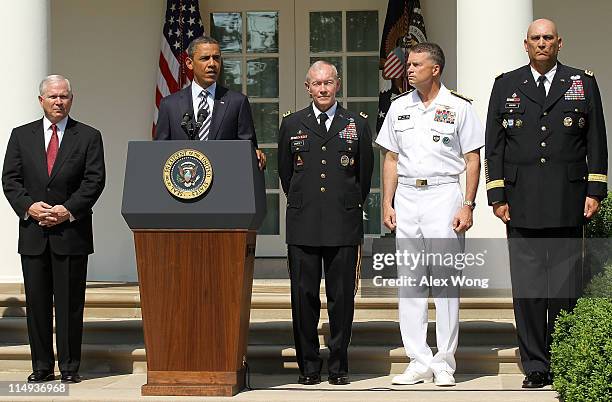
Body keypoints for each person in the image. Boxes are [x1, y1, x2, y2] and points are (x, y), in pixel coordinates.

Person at [484, 19, 607, 388]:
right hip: (519, 204)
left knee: (565, 286)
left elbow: (597, 140)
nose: (542, 43)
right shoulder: (506, 84)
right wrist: (497, 195)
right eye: (535, 38)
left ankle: (564, 355)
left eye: (548, 38)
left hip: (568, 200)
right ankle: (536, 365)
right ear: (526, 44)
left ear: (559, 43)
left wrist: (594, 190)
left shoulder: (582, 82)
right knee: (529, 289)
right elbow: (494, 145)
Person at [376, 42, 484, 387]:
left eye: (416, 64)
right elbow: (390, 159)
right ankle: (418, 359)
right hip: (407, 196)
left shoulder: (458, 107)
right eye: (408, 64)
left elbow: (472, 160)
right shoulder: (398, 108)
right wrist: (386, 202)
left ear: (435, 69)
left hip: (443, 194)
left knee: (446, 282)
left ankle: (444, 361)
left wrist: (468, 204)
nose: (409, 69)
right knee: (410, 282)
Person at [2, 75, 106, 384]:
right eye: (53, 97)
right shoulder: (21, 136)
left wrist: (68, 209)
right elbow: (10, 180)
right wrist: (29, 207)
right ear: (41, 101)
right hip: (34, 234)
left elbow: (95, 180)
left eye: (64, 96)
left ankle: (70, 368)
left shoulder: (88, 136)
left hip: (71, 234)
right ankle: (42, 367)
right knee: (37, 305)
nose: (58, 101)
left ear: (71, 100)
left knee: (70, 305)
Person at [278, 60, 374, 386]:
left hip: (343, 223)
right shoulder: (292, 124)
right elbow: (286, 174)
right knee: (303, 298)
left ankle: (338, 365)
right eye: (316, 84)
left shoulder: (356, 124)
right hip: (303, 223)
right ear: (308, 87)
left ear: (338, 85)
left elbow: (363, 177)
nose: (323, 89)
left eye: (328, 83)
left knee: (341, 298)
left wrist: (343, 204)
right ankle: (308, 365)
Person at [154, 35, 266, 170]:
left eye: (216, 58)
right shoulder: (169, 105)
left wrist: (254, 153)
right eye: (205, 58)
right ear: (189, 63)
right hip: (183, 183)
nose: (212, 64)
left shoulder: (237, 102)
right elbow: (159, 152)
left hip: (225, 180)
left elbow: (248, 149)